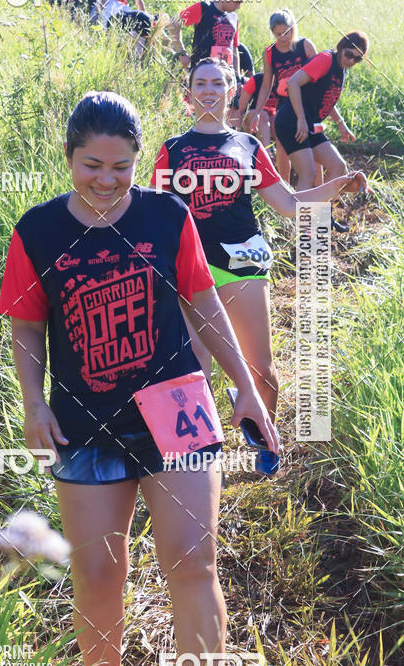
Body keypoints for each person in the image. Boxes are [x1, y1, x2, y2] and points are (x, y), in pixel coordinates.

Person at [0, 90, 279, 666]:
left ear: (137, 161)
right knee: (98, 572)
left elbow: (204, 303)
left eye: (120, 166)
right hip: (84, 417)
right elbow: (26, 323)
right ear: (69, 158)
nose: (106, 180)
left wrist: (245, 385)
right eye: (92, 165)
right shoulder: (37, 232)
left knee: (192, 560)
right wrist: (33, 403)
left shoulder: (167, 216)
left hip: (174, 401)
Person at [151, 57, 368, 475]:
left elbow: (288, 203)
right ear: (190, 93)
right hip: (190, 268)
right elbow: (157, 213)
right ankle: (201, 460)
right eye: (202, 83)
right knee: (196, 368)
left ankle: (265, 440)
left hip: (242, 261)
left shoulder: (247, 146)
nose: (210, 90)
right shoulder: (172, 149)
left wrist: (337, 184)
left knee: (261, 370)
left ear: (231, 90)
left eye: (218, 82)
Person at [274, 31, 369, 229]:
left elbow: (325, 97)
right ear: (341, 47)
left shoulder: (341, 68)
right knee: (308, 174)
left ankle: (323, 217)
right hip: (292, 121)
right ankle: (303, 227)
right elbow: (293, 83)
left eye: (357, 59)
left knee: (338, 166)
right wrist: (300, 118)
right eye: (349, 54)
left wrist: (341, 124)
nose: (352, 60)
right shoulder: (326, 59)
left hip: (310, 124)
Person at [249, 10, 317, 183]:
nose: (283, 37)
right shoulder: (270, 53)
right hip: (285, 105)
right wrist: (257, 111)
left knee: (314, 145)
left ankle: (319, 193)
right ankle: (285, 188)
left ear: (293, 28)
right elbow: (266, 84)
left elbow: (319, 76)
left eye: (286, 32)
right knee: (282, 144)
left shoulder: (305, 46)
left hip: (309, 103)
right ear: (273, 33)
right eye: (278, 34)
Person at [170, 0, 248, 88]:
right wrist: (181, 52)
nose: (239, 6)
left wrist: (238, 78)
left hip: (225, 77)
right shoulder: (203, 8)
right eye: (237, 1)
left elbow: (234, 49)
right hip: (202, 74)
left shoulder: (234, 17)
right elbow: (174, 23)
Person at [234, 71, 276, 147]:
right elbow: (239, 110)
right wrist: (234, 138)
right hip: (252, 121)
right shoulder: (256, 80)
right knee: (262, 115)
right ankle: (268, 154)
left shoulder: (285, 81)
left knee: (277, 118)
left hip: (273, 124)